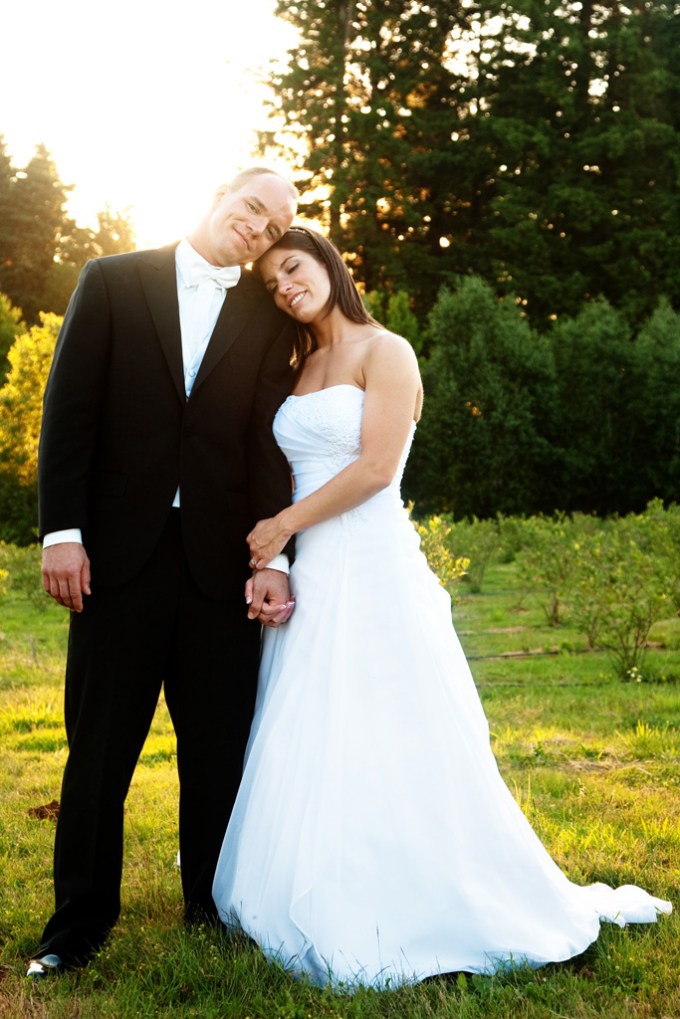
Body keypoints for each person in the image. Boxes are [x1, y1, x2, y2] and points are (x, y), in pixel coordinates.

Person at [212, 226, 672, 989]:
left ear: (327, 262)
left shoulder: (384, 350)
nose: (285, 285)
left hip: (371, 562)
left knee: (391, 726)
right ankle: (315, 881)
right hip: (314, 575)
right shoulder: (297, 363)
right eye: (271, 283)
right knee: (312, 724)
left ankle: (421, 897)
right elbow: (280, 469)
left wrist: (283, 527)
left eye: (292, 267)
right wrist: (284, 557)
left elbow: (376, 468)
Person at [28, 168, 299, 979]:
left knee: (218, 750)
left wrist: (271, 556)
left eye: (276, 226)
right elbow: (67, 409)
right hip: (116, 560)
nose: (259, 229)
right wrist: (62, 533)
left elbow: (266, 438)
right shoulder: (112, 280)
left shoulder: (264, 311)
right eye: (254, 207)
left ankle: (209, 908)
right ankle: (75, 927)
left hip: (220, 569)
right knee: (100, 749)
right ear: (219, 195)